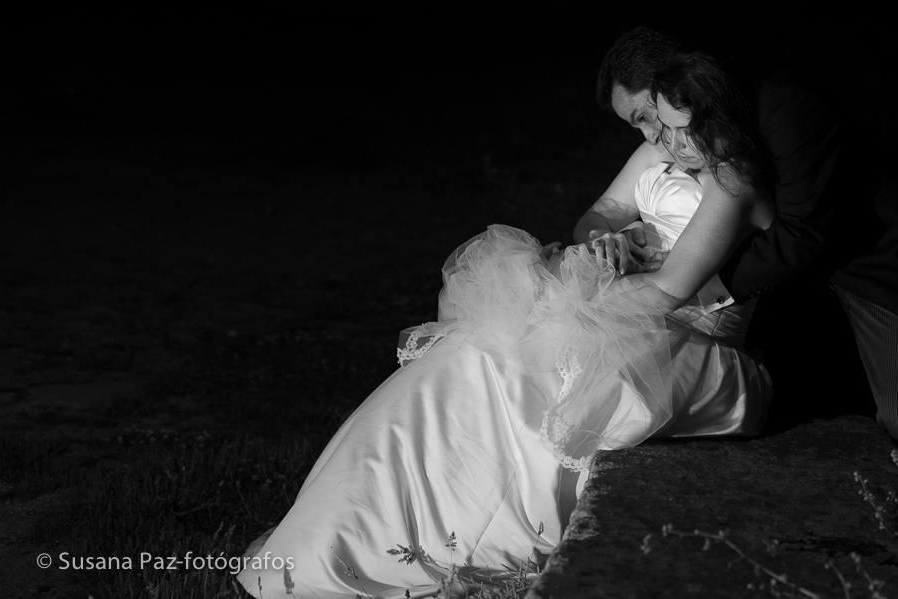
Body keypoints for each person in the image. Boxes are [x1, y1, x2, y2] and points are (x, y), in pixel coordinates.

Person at [236, 54, 773, 598]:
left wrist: (573, 296)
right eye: (651, 123)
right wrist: (606, 243)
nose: (666, 143)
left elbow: (670, 288)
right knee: (474, 353)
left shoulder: (731, 181)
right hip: (636, 310)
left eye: (676, 129)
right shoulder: (666, 155)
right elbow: (603, 213)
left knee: (531, 368)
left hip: (687, 336)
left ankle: (450, 537)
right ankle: (346, 527)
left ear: (713, 117)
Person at [578, 26, 898, 435]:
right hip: (688, 298)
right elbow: (603, 214)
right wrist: (615, 243)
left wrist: (691, 274)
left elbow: (802, 236)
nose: (649, 134)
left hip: (870, 256)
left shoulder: (777, 115)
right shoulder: (674, 141)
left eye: (644, 116)